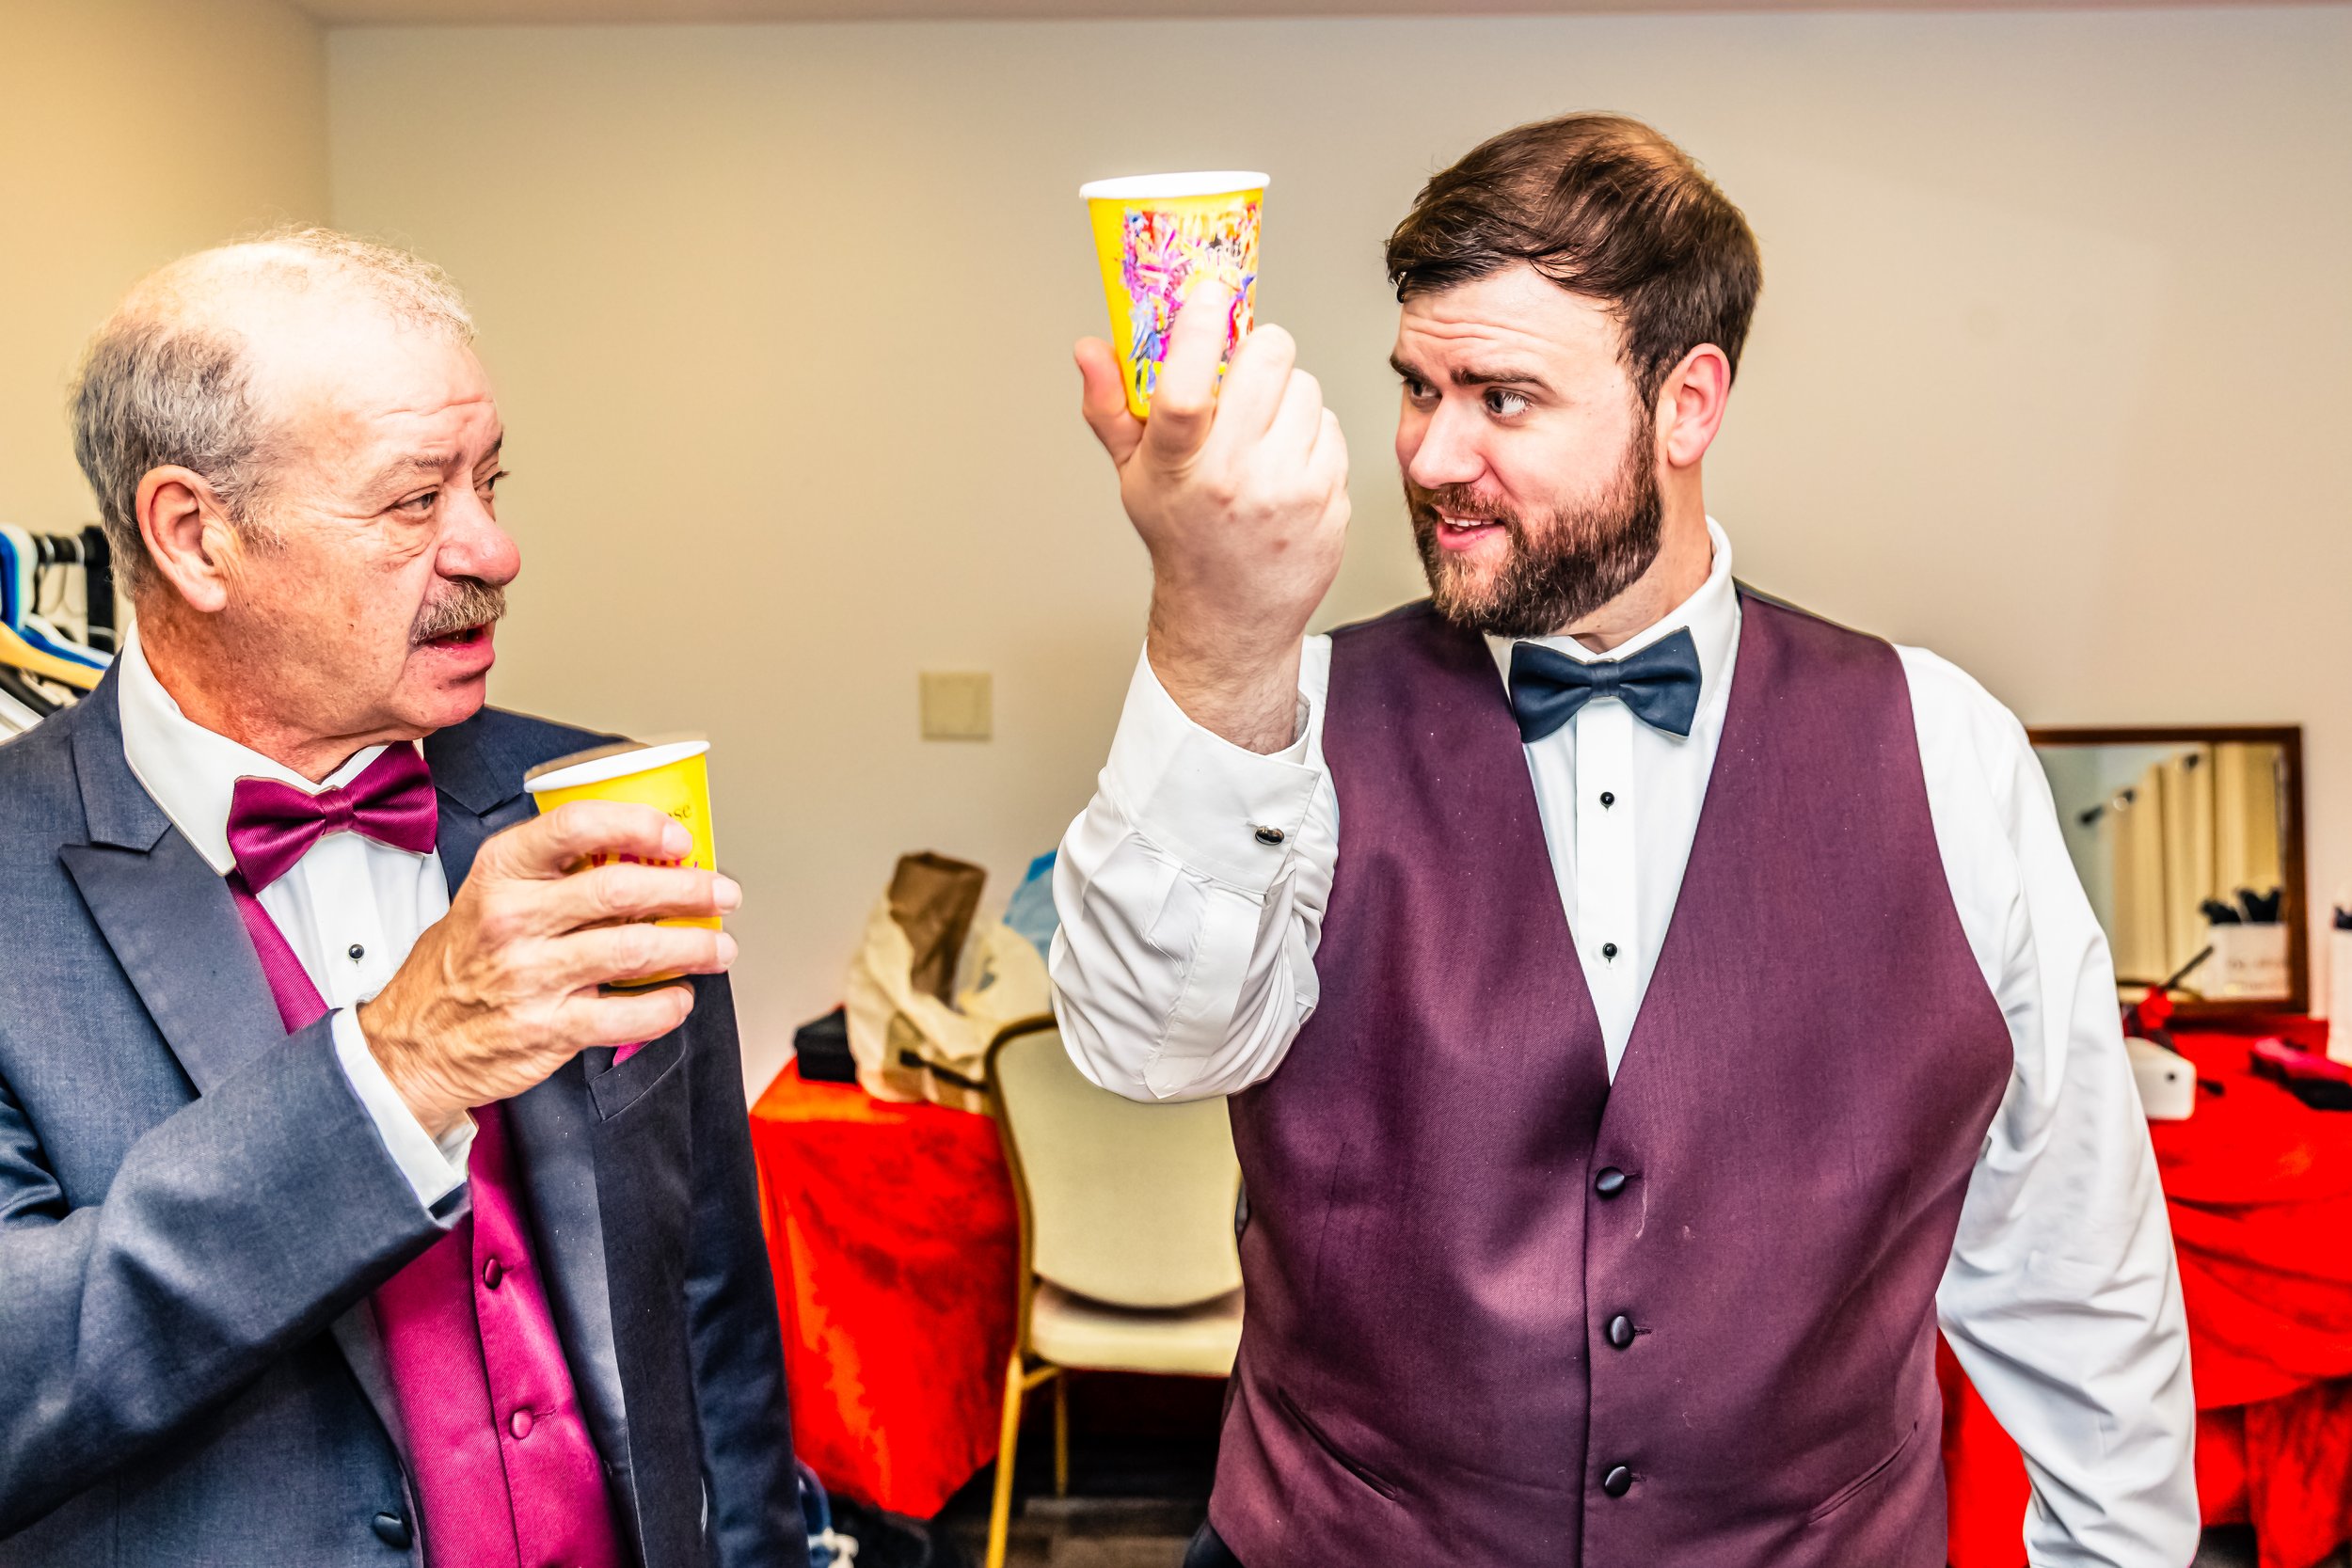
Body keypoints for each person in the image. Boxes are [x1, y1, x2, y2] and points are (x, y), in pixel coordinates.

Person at [1052, 115, 2195, 1567]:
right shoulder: (1291, 711)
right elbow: (1149, 1044)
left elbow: (2072, 1260)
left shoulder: (1945, 745)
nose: (1430, 452)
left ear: (1688, 404)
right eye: (1417, 385)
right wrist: (1216, 640)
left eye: (1502, 398)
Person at [0, 230, 803, 1566]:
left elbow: (705, 1297)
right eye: (413, 501)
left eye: (489, 482)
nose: (495, 549)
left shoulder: (586, 798)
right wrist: (398, 1067)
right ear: (195, 535)